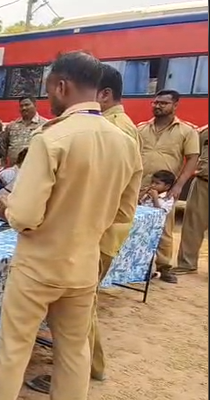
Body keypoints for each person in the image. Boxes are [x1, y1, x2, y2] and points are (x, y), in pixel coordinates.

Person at [0, 51, 142, 400]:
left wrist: (11, 208)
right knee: (74, 352)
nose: (48, 98)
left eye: (48, 90)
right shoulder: (125, 142)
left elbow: (26, 215)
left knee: (14, 350)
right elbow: (125, 213)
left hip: (38, 266)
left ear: (62, 86)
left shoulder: (52, 138)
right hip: (83, 266)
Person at [89, 63, 143, 381]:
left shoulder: (114, 129)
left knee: (79, 305)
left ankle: (86, 367)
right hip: (105, 229)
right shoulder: (117, 125)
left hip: (101, 231)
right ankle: (88, 365)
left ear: (104, 95)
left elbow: (104, 191)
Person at [138, 90, 200, 283]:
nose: (158, 106)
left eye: (163, 103)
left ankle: (164, 267)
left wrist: (178, 186)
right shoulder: (141, 128)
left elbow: (192, 158)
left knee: (164, 230)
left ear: (175, 105)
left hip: (166, 191)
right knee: (135, 226)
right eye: (155, 102)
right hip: (140, 187)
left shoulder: (186, 131)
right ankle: (135, 266)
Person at [175, 125, 209, 275]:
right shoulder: (204, 132)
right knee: (193, 224)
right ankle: (186, 264)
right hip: (203, 182)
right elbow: (194, 155)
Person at [0, 96, 47, 164]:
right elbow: (3, 147)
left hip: (36, 166)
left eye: (27, 105)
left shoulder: (45, 125)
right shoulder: (11, 126)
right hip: (14, 167)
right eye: (21, 106)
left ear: (35, 105)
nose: (24, 108)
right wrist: (2, 164)